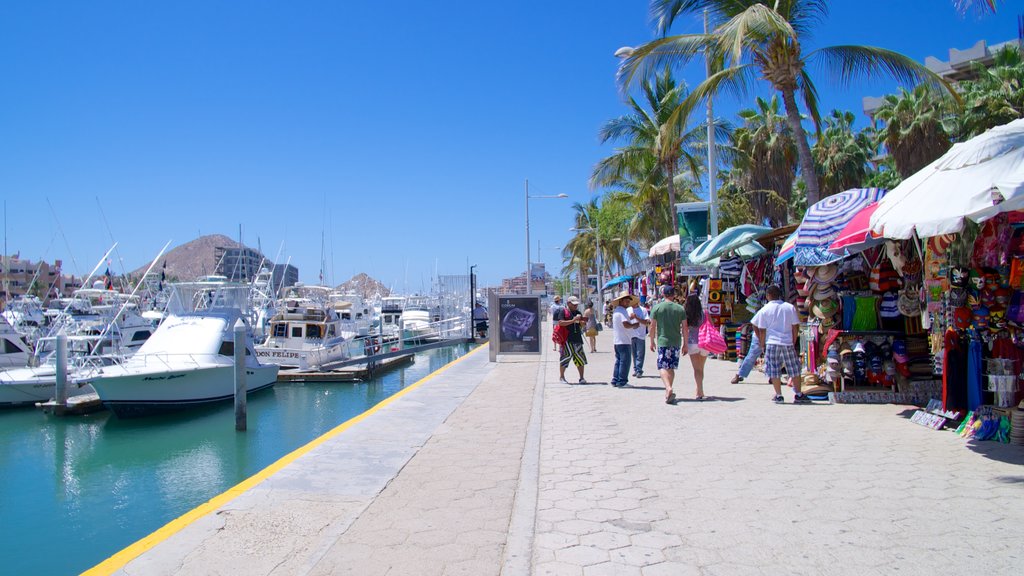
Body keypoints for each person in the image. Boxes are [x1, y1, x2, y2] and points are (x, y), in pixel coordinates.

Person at [751, 284, 811, 404]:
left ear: (768, 295)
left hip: (772, 343)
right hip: (787, 342)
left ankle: (779, 395)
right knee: (794, 369)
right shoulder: (789, 307)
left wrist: (762, 343)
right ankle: (798, 394)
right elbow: (795, 326)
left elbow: (760, 328)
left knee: (774, 370)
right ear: (779, 295)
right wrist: (793, 340)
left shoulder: (765, 309)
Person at [648, 285, 686, 404]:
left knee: (662, 366)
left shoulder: (657, 308)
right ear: (673, 295)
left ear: (663, 295)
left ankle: (668, 388)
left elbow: (652, 325)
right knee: (671, 367)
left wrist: (651, 341)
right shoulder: (680, 309)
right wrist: (685, 344)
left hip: (663, 341)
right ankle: (667, 390)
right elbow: (685, 328)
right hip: (676, 342)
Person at [680, 292, 709, 400]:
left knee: (696, 369)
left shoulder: (687, 315)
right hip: (704, 342)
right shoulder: (705, 313)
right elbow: (711, 325)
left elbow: (685, 330)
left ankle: (699, 391)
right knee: (701, 368)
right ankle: (700, 390)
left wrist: (685, 344)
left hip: (692, 342)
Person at [555, 296, 588, 384]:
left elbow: (582, 325)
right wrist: (573, 320)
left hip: (577, 339)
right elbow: (561, 323)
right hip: (567, 339)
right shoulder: (563, 311)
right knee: (565, 358)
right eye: (573, 304)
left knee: (580, 359)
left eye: (576, 304)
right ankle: (562, 377)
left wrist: (582, 322)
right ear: (568, 303)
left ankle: (581, 378)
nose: (575, 306)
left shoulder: (578, 312)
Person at [610, 291, 640, 388]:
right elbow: (625, 324)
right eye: (626, 301)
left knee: (619, 360)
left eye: (628, 301)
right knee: (625, 361)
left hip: (618, 340)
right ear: (621, 301)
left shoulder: (617, 311)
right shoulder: (622, 311)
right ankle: (622, 381)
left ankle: (615, 379)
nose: (627, 303)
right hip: (623, 341)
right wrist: (634, 324)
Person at [629, 299, 650, 377]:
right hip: (631, 335)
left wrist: (636, 317)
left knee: (640, 353)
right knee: (633, 353)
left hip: (640, 335)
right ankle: (635, 369)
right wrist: (630, 318)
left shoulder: (643, 310)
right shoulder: (628, 310)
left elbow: (647, 322)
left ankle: (639, 370)